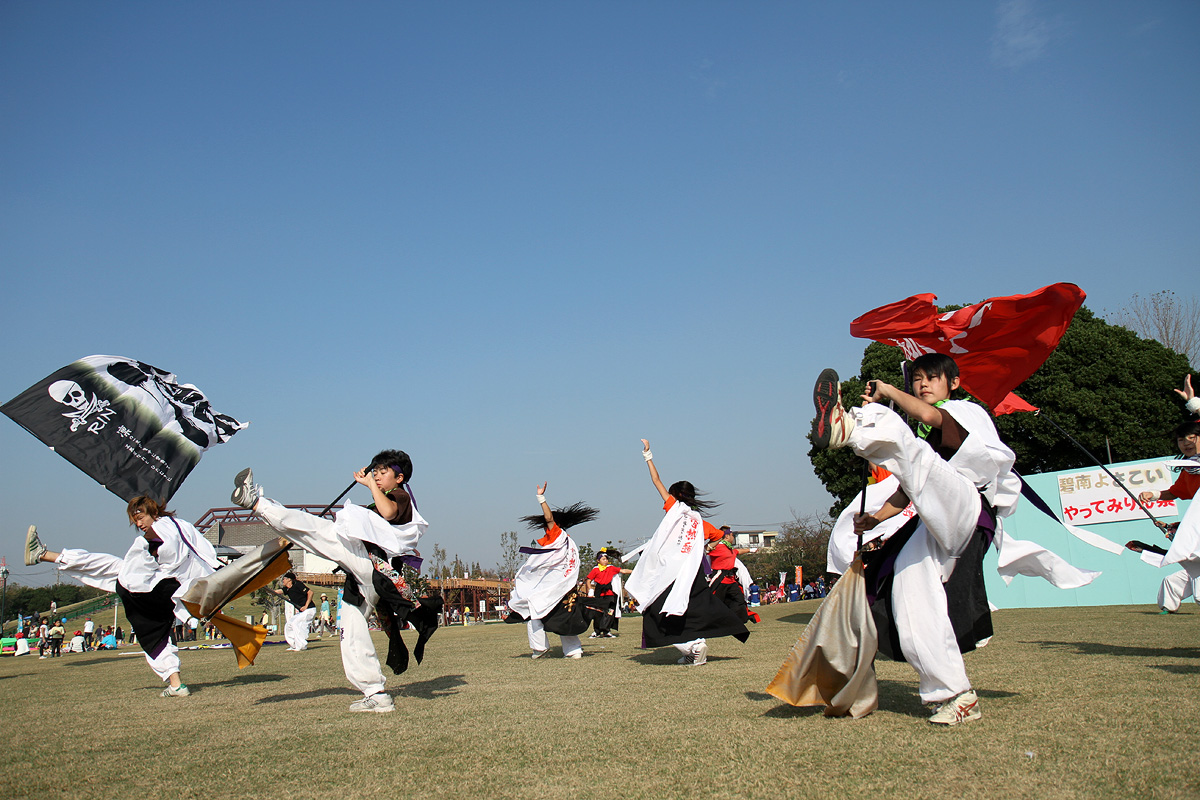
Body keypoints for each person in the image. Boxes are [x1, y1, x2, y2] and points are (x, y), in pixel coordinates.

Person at [811, 355, 1019, 726]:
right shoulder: (923, 445)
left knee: (911, 447)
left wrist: (889, 392)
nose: (923, 384)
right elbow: (910, 491)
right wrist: (873, 519)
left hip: (969, 506)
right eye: (918, 379)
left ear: (953, 383)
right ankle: (956, 694)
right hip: (933, 522)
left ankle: (851, 428)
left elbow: (929, 418)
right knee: (911, 598)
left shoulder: (964, 410)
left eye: (932, 378)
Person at [229, 449, 440, 713]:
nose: (376, 477)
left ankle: (257, 502)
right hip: (364, 577)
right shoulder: (384, 497)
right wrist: (372, 485)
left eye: (382, 473)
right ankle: (376, 693)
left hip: (370, 565)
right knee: (350, 630)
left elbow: (387, 513)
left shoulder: (400, 496)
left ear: (399, 478)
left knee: (317, 529)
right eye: (375, 472)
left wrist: (370, 486)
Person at [24, 496, 219, 696]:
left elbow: (164, 549)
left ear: (153, 512)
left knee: (116, 570)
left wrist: (145, 555)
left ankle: (44, 555)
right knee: (153, 631)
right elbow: (199, 551)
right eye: (135, 520)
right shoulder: (179, 525)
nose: (139, 523)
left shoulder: (159, 532)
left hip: (163, 588)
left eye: (141, 517)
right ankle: (176, 685)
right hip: (171, 587)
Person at [625, 440, 750, 666]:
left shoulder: (674, 509)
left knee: (657, 612)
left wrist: (648, 455)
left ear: (676, 495)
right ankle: (693, 648)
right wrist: (703, 548)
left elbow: (656, 480)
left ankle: (692, 646)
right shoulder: (698, 520)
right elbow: (719, 537)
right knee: (689, 612)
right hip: (692, 576)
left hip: (669, 576)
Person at [505, 483, 598, 659]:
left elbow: (549, 519)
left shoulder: (556, 535)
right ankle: (573, 650)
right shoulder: (564, 540)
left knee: (534, 611)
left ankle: (540, 648)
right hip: (561, 587)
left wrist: (541, 498)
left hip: (554, 588)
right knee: (564, 616)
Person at [1136, 420, 1200, 614]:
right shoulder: (1188, 470)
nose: (1186, 443)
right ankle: (1168, 604)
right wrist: (1154, 495)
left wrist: (1194, 405)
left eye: (1192, 437)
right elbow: (1175, 492)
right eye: (1181, 439)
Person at [705, 528, 759, 624]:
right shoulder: (717, 547)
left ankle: (736, 622)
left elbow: (737, 551)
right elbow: (705, 550)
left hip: (730, 579)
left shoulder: (728, 548)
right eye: (732, 535)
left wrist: (750, 550)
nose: (733, 537)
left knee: (739, 600)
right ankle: (709, 623)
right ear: (727, 536)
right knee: (714, 601)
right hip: (719, 578)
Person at [585, 548, 631, 638]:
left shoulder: (611, 568)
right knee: (598, 613)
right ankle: (597, 632)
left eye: (606, 559)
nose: (606, 561)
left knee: (610, 612)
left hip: (609, 594)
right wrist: (590, 590)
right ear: (598, 560)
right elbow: (588, 581)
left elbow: (623, 571)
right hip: (599, 593)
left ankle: (606, 631)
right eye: (603, 559)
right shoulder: (595, 570)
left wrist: (634, 571)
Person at [269, 573, 316, 651]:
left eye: (284, 579)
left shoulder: (298, 585)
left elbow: (310, 592)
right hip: (302, 612)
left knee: (296, 624)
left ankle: (301, 646)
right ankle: (293, 644)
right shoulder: (287, 589)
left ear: (289, 579)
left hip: (309, 610)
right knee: (289, 625)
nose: (283, 580)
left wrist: (306, 606)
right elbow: (276, 592)